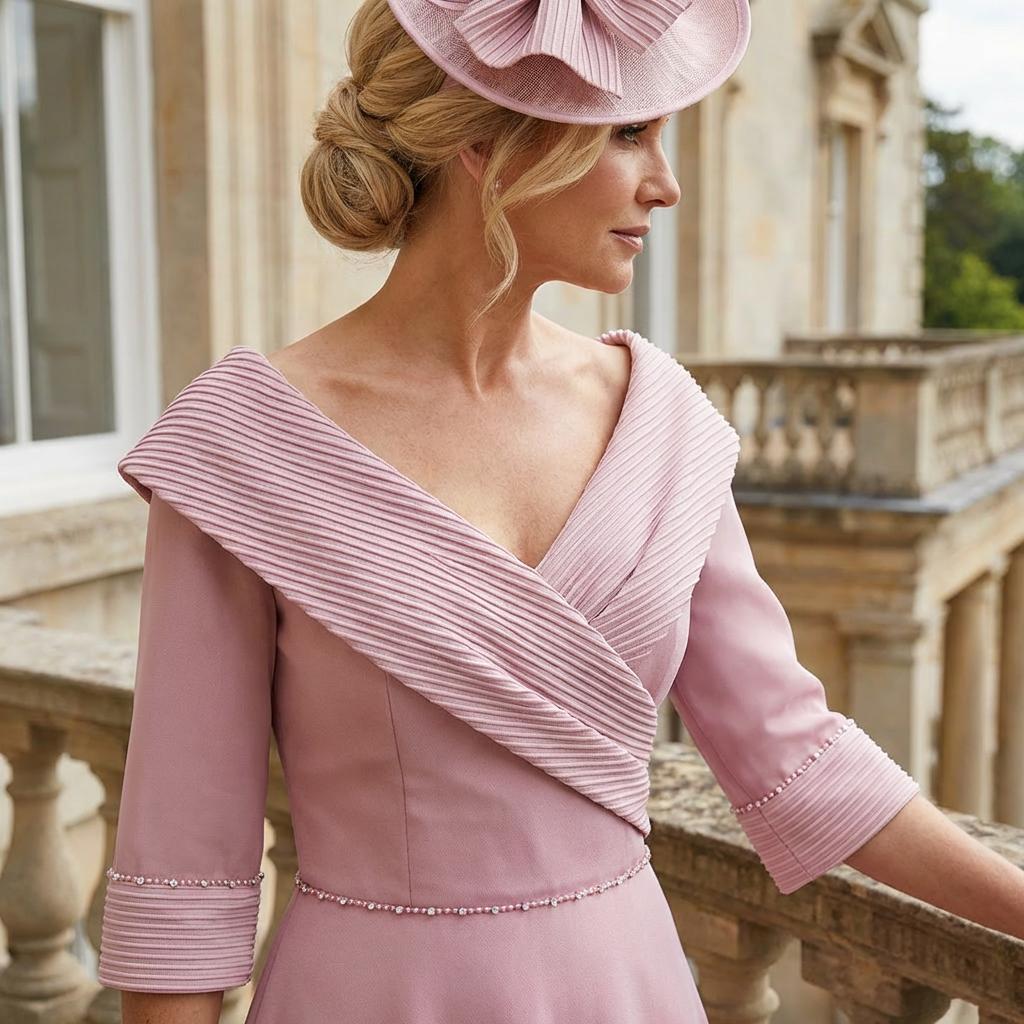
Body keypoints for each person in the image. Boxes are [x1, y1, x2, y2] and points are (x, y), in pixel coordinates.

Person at [94, 0, 931, 1020]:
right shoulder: (245, 447)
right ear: (488, 143)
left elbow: (799, 762)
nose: (665, 186)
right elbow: (184, 888)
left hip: (627, 987)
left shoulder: (660, 423)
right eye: (630, 133)